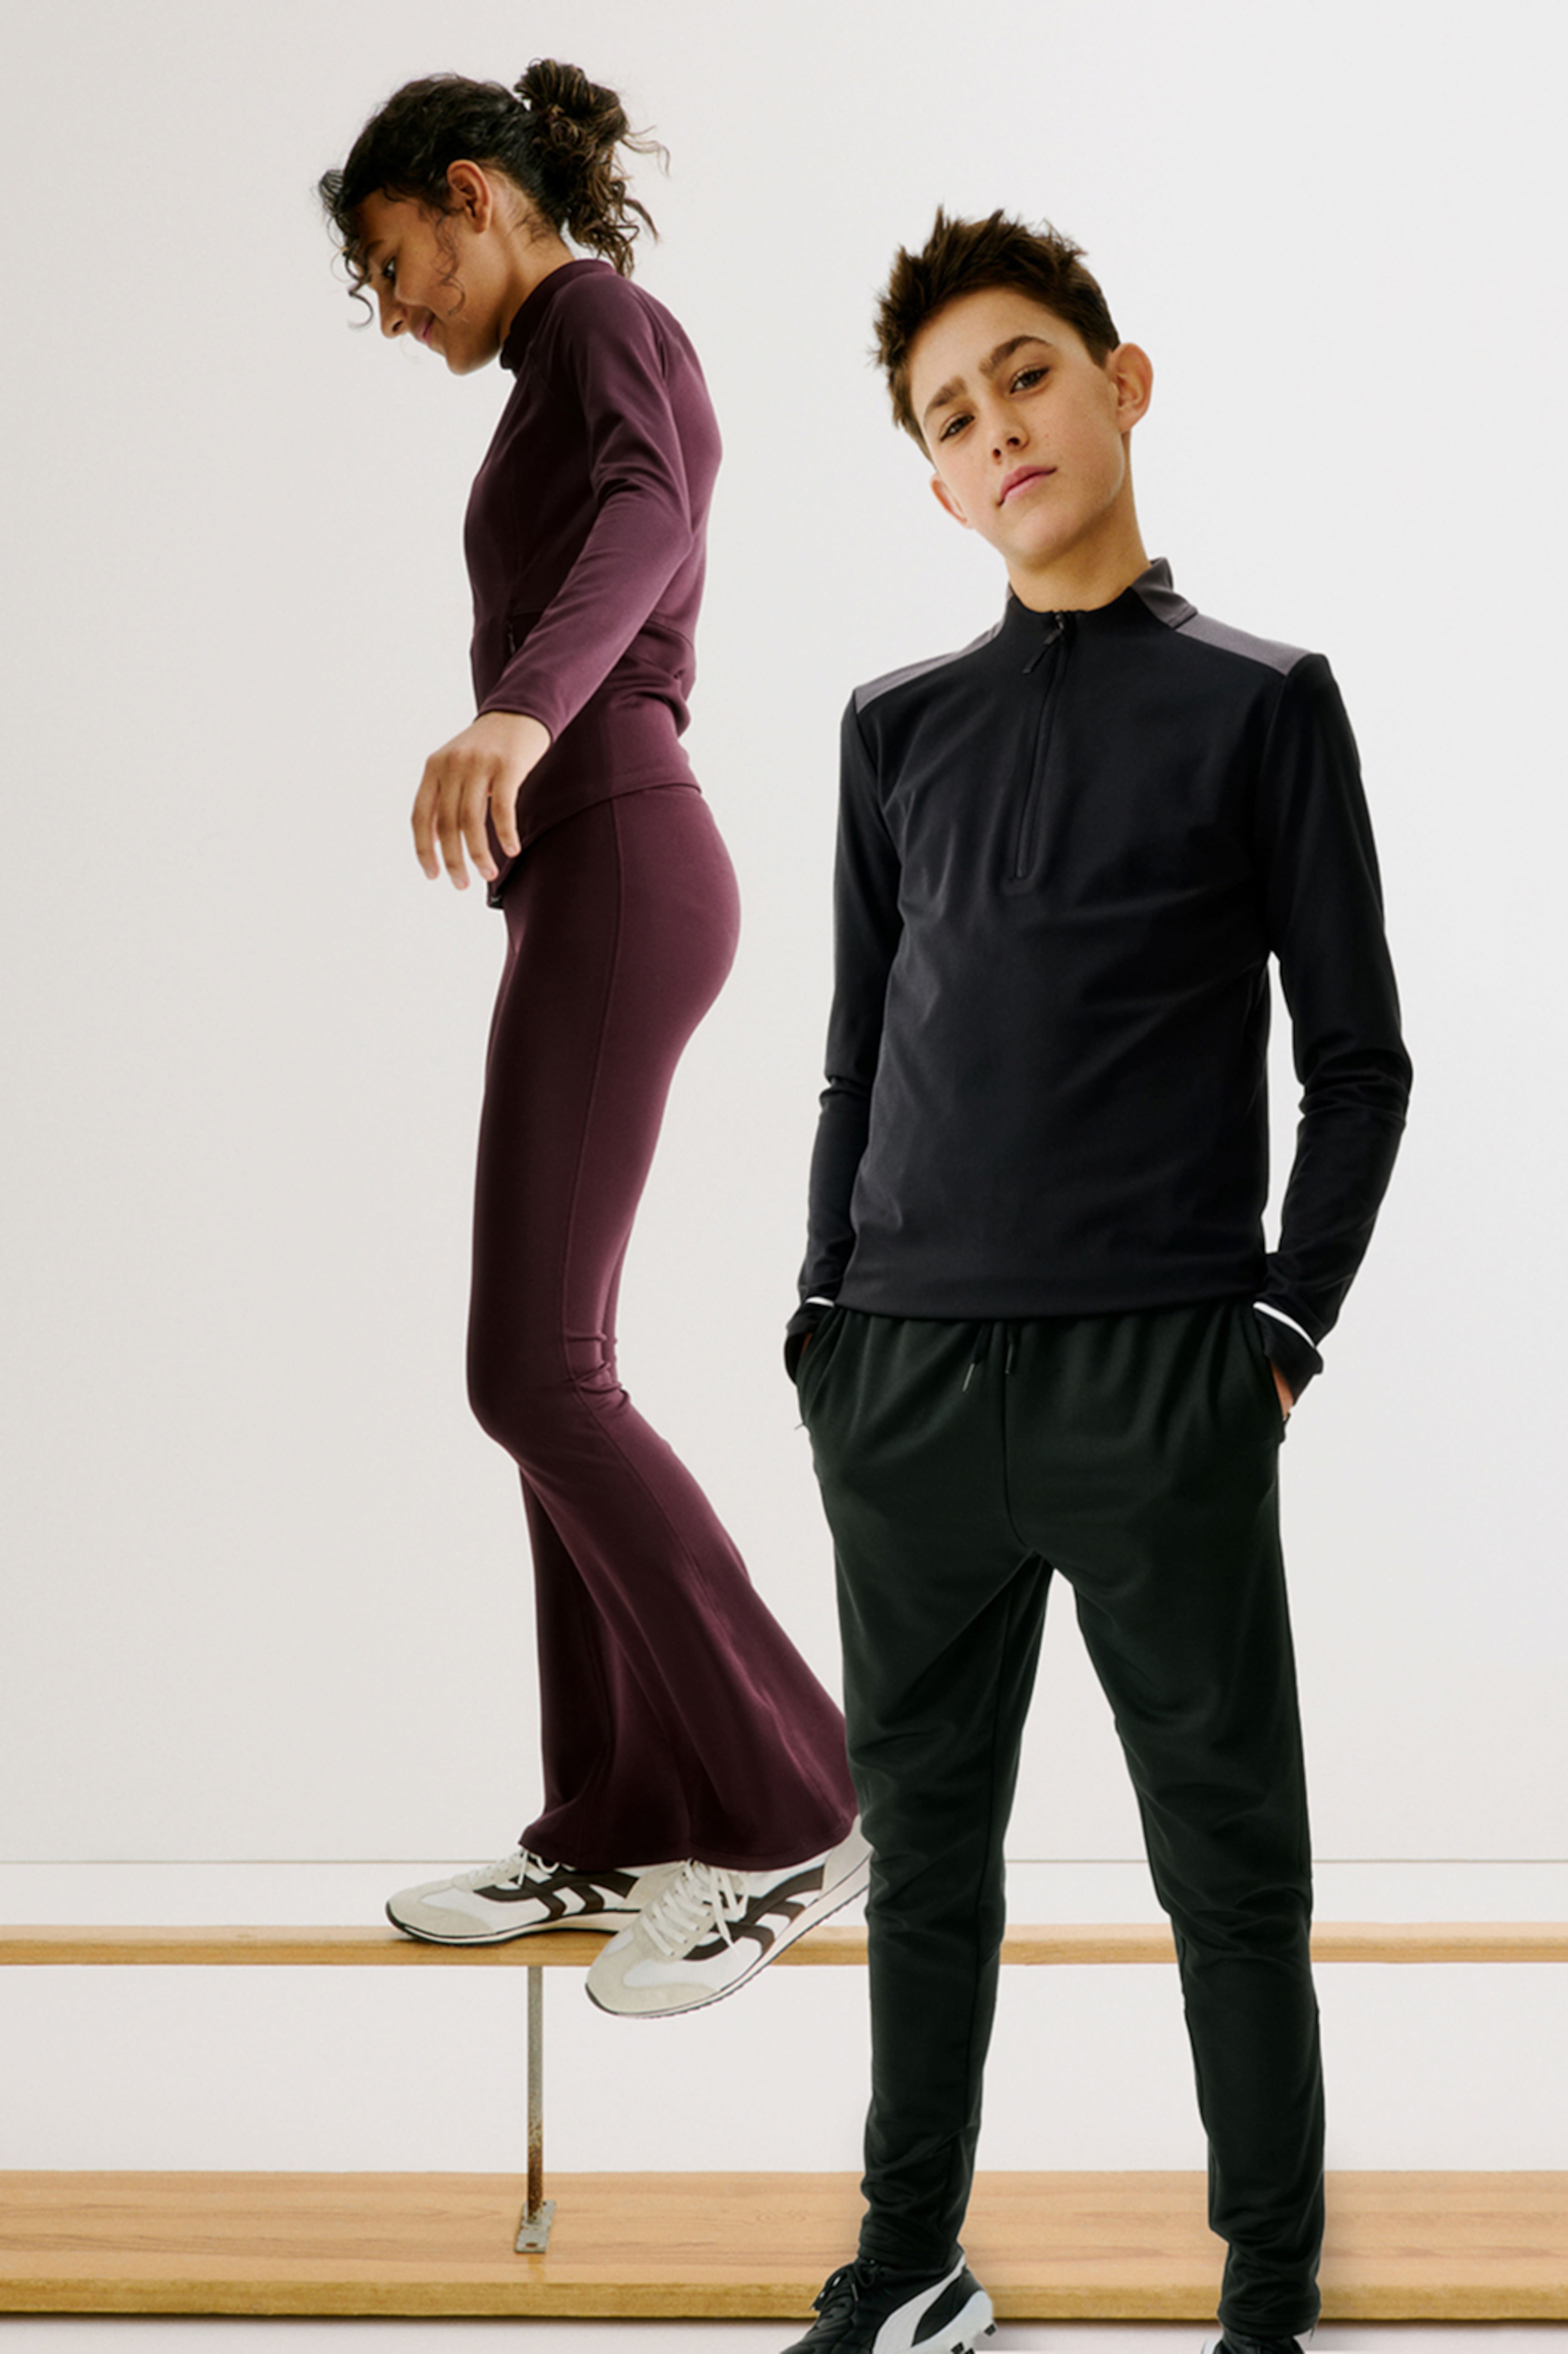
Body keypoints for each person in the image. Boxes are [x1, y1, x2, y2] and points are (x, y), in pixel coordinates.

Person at [785, 209, 1411, 2353]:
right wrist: (823, 1318)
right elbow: (855, 1052)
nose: (998, 427)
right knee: (927, 1863)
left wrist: (1278, 1332)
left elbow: (1357, 1060)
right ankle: (908, 2266)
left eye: (1027, 374)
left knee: (1226, 1860)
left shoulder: (1261, 703)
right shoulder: (892, 728)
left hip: (1159, 1379)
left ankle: (1267, 2295)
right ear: (935, 485)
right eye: (951, 416)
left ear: (1121, 383)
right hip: (903, 1384)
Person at [317, 59, 866, 2020]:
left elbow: (650, 506)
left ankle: (798, 1801)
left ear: (472, 193)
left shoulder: (603, 325)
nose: (393, 310)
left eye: (393, 262)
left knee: (533, 1371)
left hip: (624, 846)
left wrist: (522, 707)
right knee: (547, 1370)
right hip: (585, 874)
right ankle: (619, 1819)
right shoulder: (551, 364)